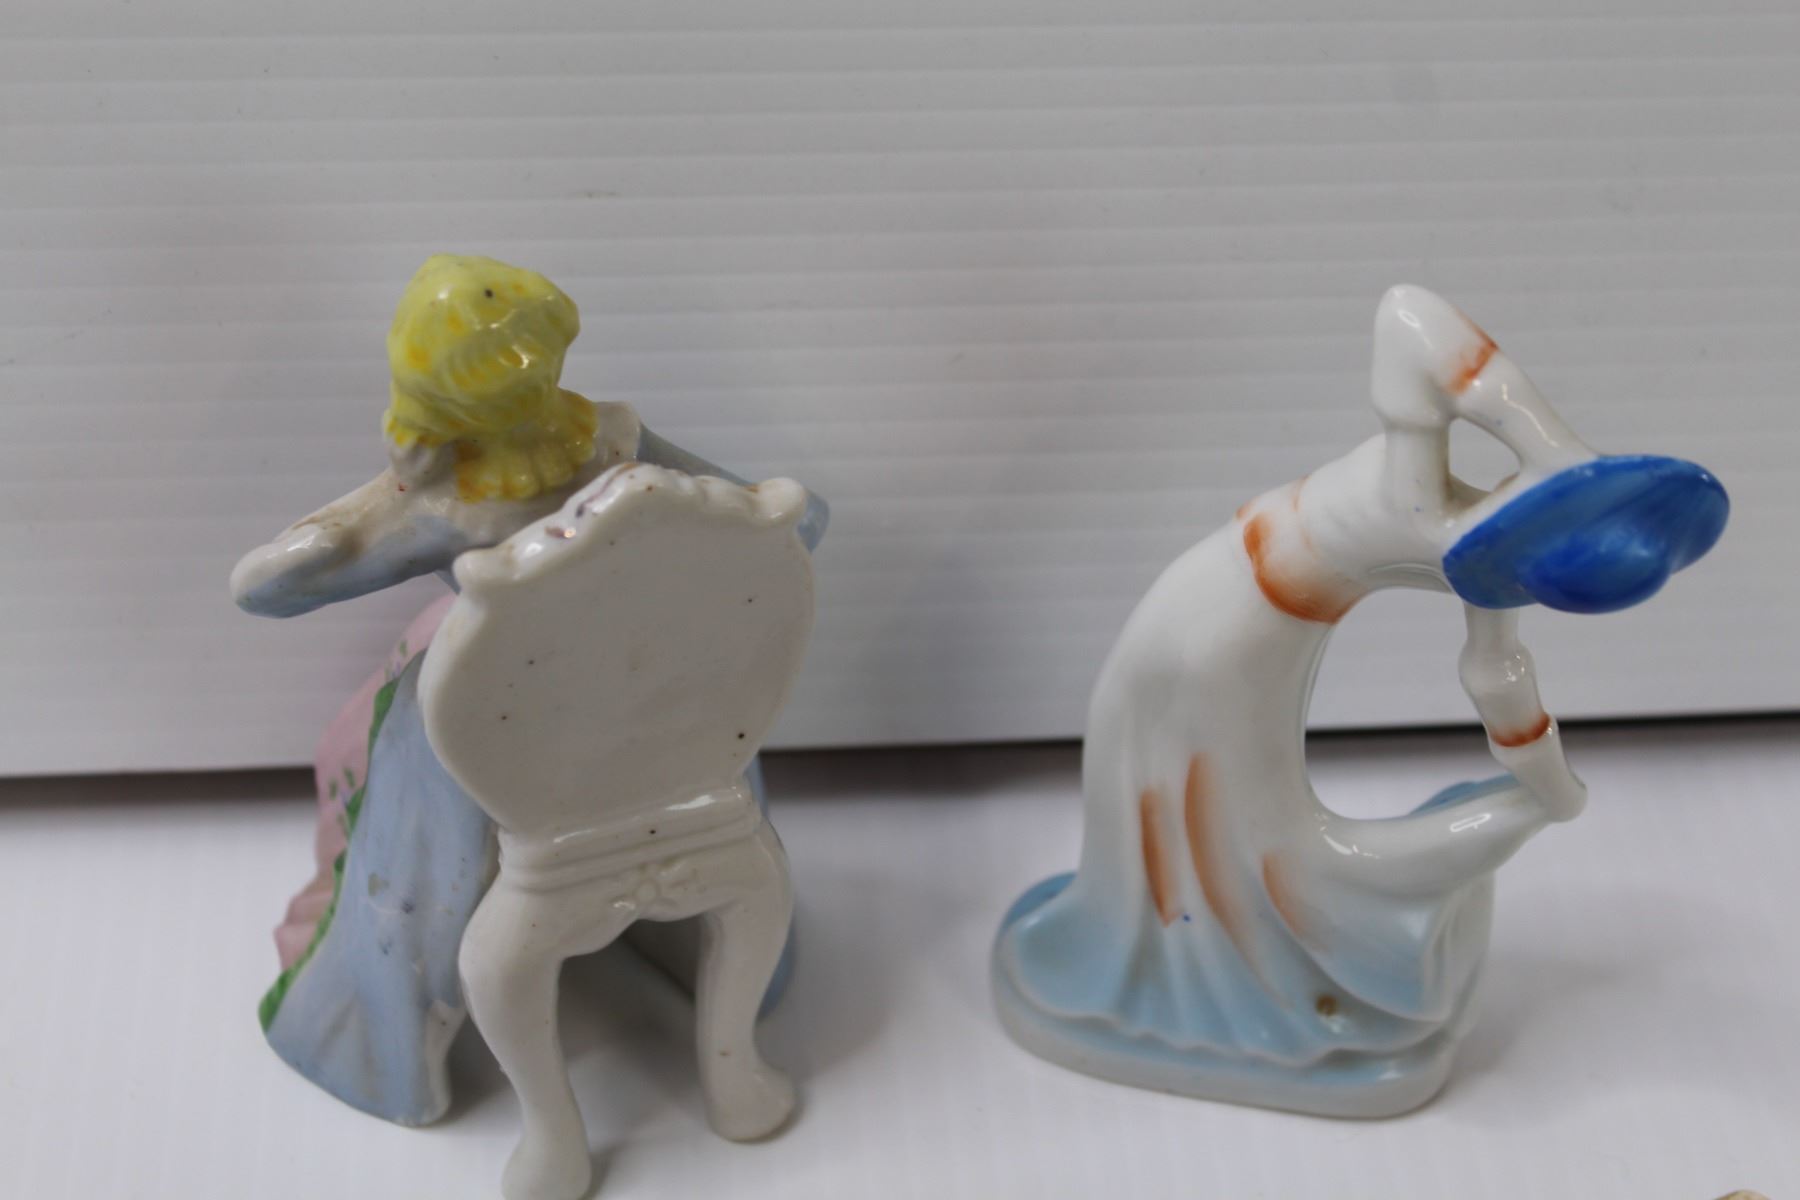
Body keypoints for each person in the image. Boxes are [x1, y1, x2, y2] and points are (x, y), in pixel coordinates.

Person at [232, 254, 825, 1123]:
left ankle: (392, 1036)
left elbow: (264, 591)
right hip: (656, 707)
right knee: (695, 726)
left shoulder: (435, 502)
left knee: (413, 756)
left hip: (512, 728)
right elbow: (794, 525)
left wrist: (325, 539)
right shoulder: (616, 443)